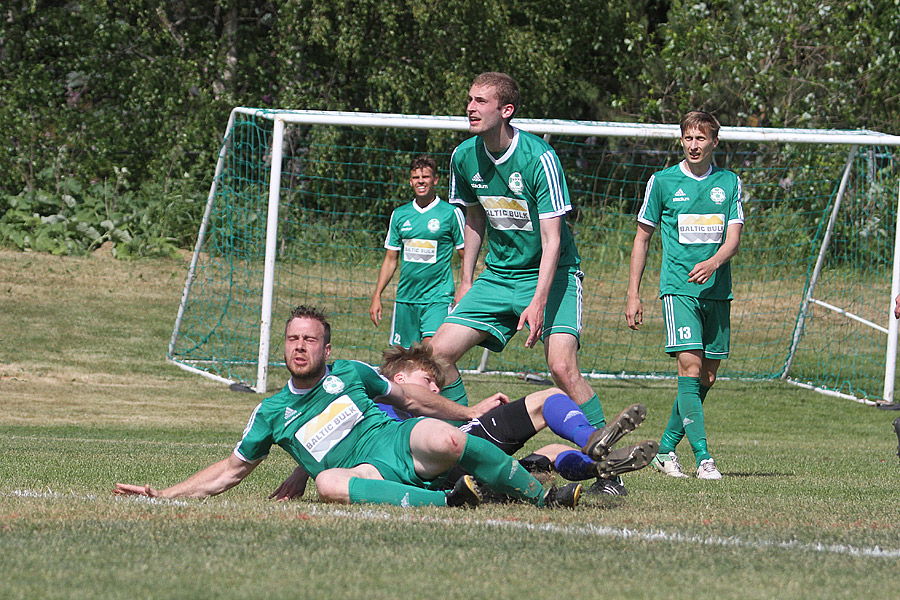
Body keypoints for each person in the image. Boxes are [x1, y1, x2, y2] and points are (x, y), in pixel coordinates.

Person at [115, 306, 580, 509]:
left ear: (326, 348)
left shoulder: (351, 374)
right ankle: (449, 502)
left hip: (398, 444)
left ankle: (543, 497)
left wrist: (462, 413)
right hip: (365, 474)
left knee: (446, 439)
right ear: (285, 346)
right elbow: (229, 472)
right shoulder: (271, 413)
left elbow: (410, 398)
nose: (300, 347)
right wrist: (164, 496)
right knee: (328, 481)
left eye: (310, 340)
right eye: (293, 339)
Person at [426, 72, 619, 494]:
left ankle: (608, 468)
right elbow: (474, 219)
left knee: (561, 367)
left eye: (481, 101)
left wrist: (537, 301)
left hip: (554, 271)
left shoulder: (539, 158)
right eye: (469, 100)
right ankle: (469, 436)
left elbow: (553, 241)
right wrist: (466, 281)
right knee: (435, 354)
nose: (471, 108)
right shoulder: (463, 156)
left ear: (506, 110)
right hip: (498, 275)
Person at [270, 343, 657, 501]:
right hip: (434, 465)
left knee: (548, 413)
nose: (435, 388)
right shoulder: (373, 400)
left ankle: (594, 449)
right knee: (538, 458)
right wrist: (304, 471)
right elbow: (328, 435)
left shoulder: (429, 408)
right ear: (399, 380)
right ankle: (595, 466)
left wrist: (472, 410)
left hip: (459, 443)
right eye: (428, 381)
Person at [625, 111, 744, 480]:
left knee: (704, 378)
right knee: (689, 368)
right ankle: (704, 458)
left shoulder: (729, 182)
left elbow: (734, 238)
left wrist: (713, 263)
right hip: (679, 289)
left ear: (714, 143)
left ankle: (663, 450)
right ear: (682, 141)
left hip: (717, 292)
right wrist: (633, 293)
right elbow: (642, 237)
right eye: (688, 138)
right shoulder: (662, 182)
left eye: (701, 139)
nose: (694, 145)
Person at [370, 155, 465, 347]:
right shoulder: (400, 214)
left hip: (437, 297)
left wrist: (464, 287)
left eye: (426, 177)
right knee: (403, 359)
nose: (421, 181)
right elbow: (390, 259)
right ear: (410, 181)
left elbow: (466, 256)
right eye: (416, 177)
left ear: (435, 180)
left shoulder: (451, 213)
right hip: (406, 298)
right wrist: (377, 295)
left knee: (432, 352)